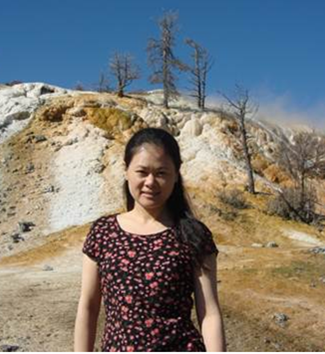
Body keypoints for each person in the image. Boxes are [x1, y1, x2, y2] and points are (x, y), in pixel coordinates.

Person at [74, 127, 226, 352]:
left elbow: (210, 313)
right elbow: (88, 306)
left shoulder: (194, 235)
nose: (151, 182)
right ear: (126, 171)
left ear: (176, 175)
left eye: (161, 173)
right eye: (142, 172)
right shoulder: (103, 233)